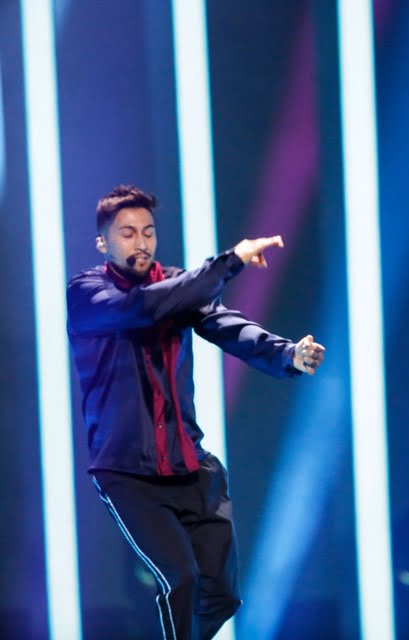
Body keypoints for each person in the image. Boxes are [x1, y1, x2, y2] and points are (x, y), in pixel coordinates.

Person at [66, 185, 325, 640]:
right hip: (128, 475)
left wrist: (288, 355)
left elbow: (227, 327)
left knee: (221, 594)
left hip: (192, 468)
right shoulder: (89, 293)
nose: (141, 242)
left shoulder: (178, 286)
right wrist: (232, 261)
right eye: (127, 233)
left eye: (148, 232)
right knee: (181, 581)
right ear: (103, 242)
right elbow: (144, 308)